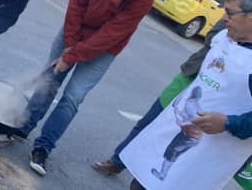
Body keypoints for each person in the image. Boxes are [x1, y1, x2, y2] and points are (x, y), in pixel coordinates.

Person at [19, 0, 154, 176]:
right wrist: (69, 48)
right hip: (74, 31)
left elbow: (111, 33)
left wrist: (72, 56)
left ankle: (43, 148)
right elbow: (76, 5)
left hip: (105, 47)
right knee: (49, 79)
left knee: (73, 97)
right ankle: (23, 126)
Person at [119, 0, 252, 189]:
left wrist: (228, 123)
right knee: (142, 182)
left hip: (209, 152)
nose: (224, 18)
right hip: (175, 129)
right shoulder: (223, 38)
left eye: (230, 13)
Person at [91, 18, 227, 177]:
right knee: (148, 122)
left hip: (214, 95)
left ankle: (150, 176)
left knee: (181, 141)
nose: (229, 16)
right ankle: (117, 162)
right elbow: (212, 38)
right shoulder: (235, 13)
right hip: (190, 78)